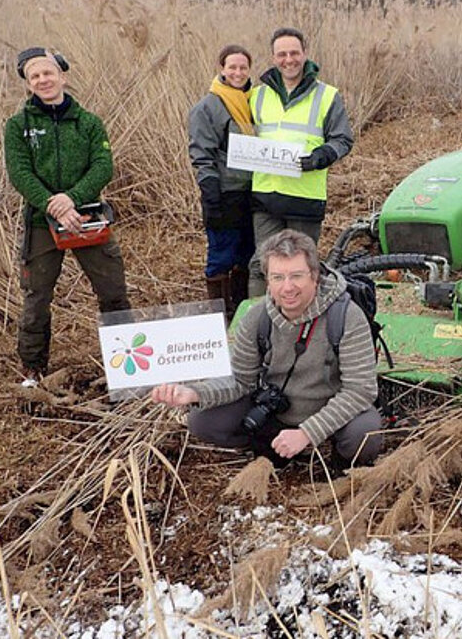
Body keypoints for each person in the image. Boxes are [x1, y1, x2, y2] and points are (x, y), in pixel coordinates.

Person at [151, 229, 382, 473]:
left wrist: (308, 433)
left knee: (365, 432)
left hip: (330, 409)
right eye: (278, 277)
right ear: (267, 280)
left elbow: (360, 390)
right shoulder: (256, 317)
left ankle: (341, 466)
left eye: (297, 276)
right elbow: (240, 380)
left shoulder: (346, 316)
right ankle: (268, 448)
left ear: (315, 276)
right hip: (276, 410)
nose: (288, 287)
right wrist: (193, 392)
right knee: (203, 421)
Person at [4, 47, 130, 387]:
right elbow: (19, 172)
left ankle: (128, 365)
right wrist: (52, 204)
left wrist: (72, 200)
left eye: (48, 73)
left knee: (113, 291)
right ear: (28, 85)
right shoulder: (17, 127)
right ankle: (33, 370)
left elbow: (103, 166)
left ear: (63, 77)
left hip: (87, 217)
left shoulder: (89, 122)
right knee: (36, 298)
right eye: (35, 76)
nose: (43, 80)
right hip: (41, 223)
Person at [246, 27, 354, 297]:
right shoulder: (257, 95)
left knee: (301, 268)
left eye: (294, 53)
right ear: (273, 58)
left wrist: (319, 157)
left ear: (305, 54)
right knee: (263, 265)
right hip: (265, 197)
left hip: (304, 198)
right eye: (281, 54)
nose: (288, 59)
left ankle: (305, 327)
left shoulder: (327, 95)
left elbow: (343, 140)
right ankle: (257, 325)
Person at [188, 43, 257, 318]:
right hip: (224, 192)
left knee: (247, 253)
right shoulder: (207, 107)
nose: (238, 73)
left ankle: (241, 309)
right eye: (232, 67)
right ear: (222, 69)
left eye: (243, 67)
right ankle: (220, 313)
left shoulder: (257, 101)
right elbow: (201, 153)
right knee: (221, 255)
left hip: (254, 191)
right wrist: (210, 192)